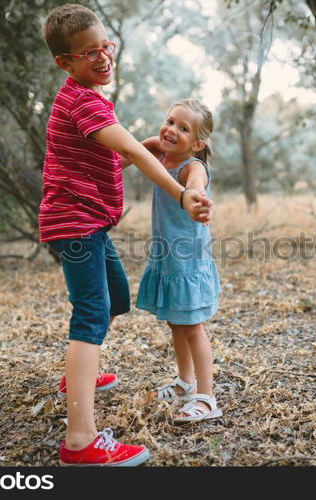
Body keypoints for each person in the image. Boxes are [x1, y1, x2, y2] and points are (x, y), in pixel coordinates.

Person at [39, 4, 213, 466]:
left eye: (105, 46)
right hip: (76, 225)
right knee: (92, 317)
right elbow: (130, 147)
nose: (102, 58)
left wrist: (145, 149)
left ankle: (82, 371)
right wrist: (179, 193)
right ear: (66, 62)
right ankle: (80, 441)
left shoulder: (79, 96)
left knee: (114, 297)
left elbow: (115, 155)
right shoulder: (86, 100)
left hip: (85, 222)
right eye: (88, 53)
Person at [134, 98, 222, 423]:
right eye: (170, 121)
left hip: (186, 264)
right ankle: (185, 383)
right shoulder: (160, 150)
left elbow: (196, 186)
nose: (171, 130)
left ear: (197, 143)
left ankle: (207, 398)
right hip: (168, 261)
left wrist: (196, 199)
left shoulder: (192, 167)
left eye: (183, 128)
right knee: (176, 322)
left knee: (193, 328)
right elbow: (129, 152)